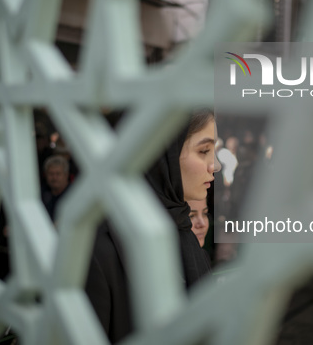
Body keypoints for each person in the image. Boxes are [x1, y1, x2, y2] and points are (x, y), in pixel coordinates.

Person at [84, 110, 221, 342]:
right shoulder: (99, 249)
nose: (215, 165)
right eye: (204, 151)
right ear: (161, 154)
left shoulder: (183, 230)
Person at [41, 155, 70, 221]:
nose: (54, 178)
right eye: (51, 174)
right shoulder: (40, 194)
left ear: (66, 175)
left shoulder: (74, 194)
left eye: (58, 174)